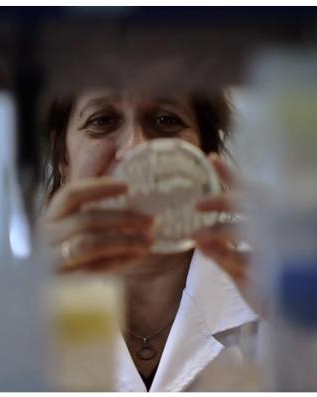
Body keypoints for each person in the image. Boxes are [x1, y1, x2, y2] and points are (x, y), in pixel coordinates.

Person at [39, 87, 266, 392]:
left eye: (165, 119)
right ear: (63, 155)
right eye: (102, 120)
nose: (135, 149)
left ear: (205, 155)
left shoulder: (270, 287)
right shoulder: (21, 312)